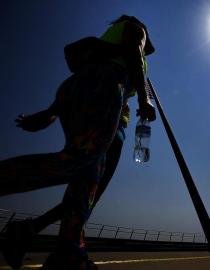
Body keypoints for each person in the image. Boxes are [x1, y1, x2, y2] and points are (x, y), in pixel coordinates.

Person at [0, 15, 156, 270]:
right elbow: (128, 57)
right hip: (105, 92)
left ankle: (67, 254)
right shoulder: (134, 30)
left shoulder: (107, 47)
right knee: (78, 164)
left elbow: (81, 71)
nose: (148, 46)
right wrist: (144, 100)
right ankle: (59, 247)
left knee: (86, 180)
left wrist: (52, 111)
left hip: (91, 94)